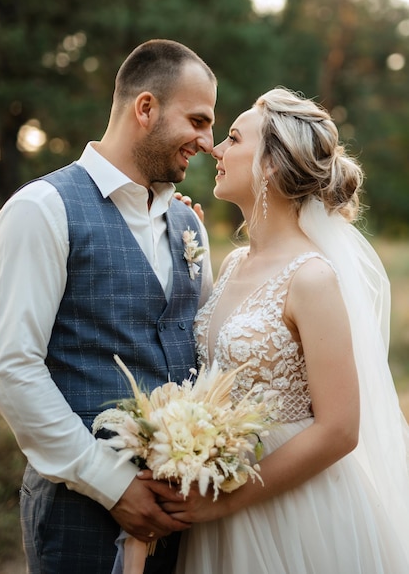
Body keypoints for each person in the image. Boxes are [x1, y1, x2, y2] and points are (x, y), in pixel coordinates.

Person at [147, 87, 409, 573]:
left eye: (231, 138)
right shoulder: (233, 262)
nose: (215, 149)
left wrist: (226, 501)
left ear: (270, 163)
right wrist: (184, 248)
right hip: (221, 500)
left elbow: (340, 429)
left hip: (292, 510)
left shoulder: (312, 277)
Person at [0, 39, 217, 574]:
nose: (208, 142)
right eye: (198, 120)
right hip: (78, 511)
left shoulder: (189, 225)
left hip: (184, 514)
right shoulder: (41, 210)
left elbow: (202, 346)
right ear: (145, 108)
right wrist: (113, 485)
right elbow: (11, 367)